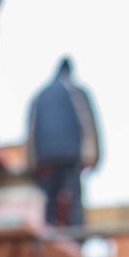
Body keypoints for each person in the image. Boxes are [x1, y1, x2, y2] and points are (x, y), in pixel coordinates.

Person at [27, 57, 101, 227]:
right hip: (70, 155)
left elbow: (31, 131)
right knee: (74, 199)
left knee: (49, 202)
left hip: (45, 158)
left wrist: (33, 164)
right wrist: (93, 157)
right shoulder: (76, 92)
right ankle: (76, 235)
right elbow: (87, 123)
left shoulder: (41, 95)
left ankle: (48, 235)